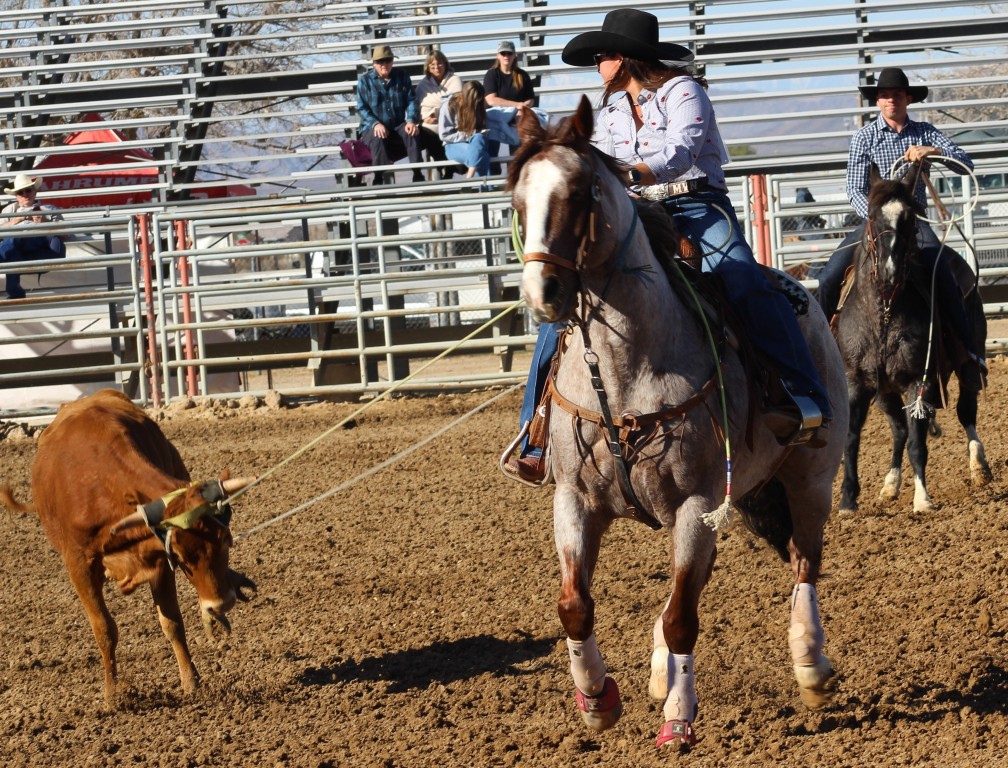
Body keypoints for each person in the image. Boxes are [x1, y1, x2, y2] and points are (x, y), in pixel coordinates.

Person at [506, 9, 832, 482]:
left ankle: (802, 397)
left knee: (743, 279)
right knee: (572, 304)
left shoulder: (684, 91)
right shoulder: (613, 109)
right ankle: (535, 431)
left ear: (627, 58)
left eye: (604, 55)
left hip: (699, 206)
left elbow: (681, 151)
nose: (598, 64)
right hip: (640, 212)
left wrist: (624, 175)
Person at [816, 67, 983, 373]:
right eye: (884, 96)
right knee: (828, 277)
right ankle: (819, 348)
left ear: (907, 99)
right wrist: (876, 215)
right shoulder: (864, 138)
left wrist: (933, 151)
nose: (890, 101)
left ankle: (967, 351)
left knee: (942, 275)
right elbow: (854, 187)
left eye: (895, 95)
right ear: (877, 102)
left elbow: (965, 164)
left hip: (913, 222)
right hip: (876, 223)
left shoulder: (925, 132)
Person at [356, 44, 424, 185]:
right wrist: (376, 124)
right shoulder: (364, 81)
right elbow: (362, 108)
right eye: (380, 61)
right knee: (377, 137)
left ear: (392, 61)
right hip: (371, 127)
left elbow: (411, 100)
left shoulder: (402, 76)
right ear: (374, 63)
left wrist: (411, 120)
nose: (384, 64)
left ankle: (418, 173)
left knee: (411, 132)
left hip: (398, 124)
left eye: (388, 60)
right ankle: (379, 177)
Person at [1, 173, 65, 299]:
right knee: (12, 243)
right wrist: (15, 221)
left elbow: (66, 232)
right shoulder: (9, 210)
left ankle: (15, 291)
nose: (25, 194)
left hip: (39, 241)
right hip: (15, 247)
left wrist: (45, 222)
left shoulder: (48, 208)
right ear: (17, 196)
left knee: (11, 245)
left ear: (35, 192)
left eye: (28, 190)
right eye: (21, 192)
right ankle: (14, 289)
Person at [483, 40, 541, 173]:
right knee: (491, 148)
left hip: (516, 119)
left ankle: (514, 175)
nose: (506, 56)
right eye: (503, 53)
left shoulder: (522, 75)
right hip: (495, 118)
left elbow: (530, 99)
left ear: (515, 55)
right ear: (498, 55)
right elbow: (491, 100)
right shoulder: (492, 74)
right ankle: (492, 181)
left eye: (509, 53)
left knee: (518, 149)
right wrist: (517, 106)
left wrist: (523, 108)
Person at [415, 49, 462, 177]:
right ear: (428, 67)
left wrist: (434, 111)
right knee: (424, 133)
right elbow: (419, 108)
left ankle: (452, 167)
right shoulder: (422, 85)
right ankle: (442, 166)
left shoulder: (455, 80)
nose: (436, 67)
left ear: (445, 64)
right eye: (432, 65)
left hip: (452, 123)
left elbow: (455, 102)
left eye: (440, 63)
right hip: (430, 126)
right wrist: (426, 117)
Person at [439, 81, 492, 178]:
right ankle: (480, 187)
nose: (476, 103)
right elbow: (444, 135)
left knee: (479, 139)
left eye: (478, 100)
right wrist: (469, 135)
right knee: (482, 156)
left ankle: (469, 180)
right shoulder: (449, 105)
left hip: (475, 143)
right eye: (474, 100)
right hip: (453, 145)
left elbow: (480, 128)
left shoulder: (479, 104)